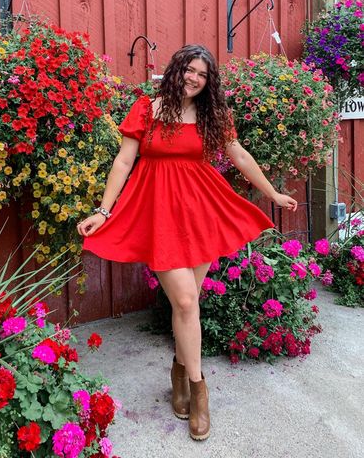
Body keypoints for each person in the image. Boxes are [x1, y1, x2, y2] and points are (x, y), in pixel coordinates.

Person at [77, 44, 297, 441]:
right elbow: (123, 162)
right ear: (176, 70)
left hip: (200, 213)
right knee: (184, 301)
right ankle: (199, 390)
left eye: (203, 74)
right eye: (190, 70)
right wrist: (104, 211)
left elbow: (240, 156)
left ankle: (179, 372)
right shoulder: (146, 108)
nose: (195, 78)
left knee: (187, 304)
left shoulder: (213, 115)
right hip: (158, 216)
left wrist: (271, 193)